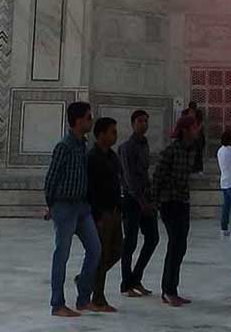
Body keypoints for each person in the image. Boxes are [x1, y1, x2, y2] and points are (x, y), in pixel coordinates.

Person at [42, 101, 100, 318]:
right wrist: (52, 206)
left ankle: (83, 297)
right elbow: (51, 179)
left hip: (82, 207)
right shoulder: (64, 147)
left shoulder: (83, 146)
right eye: (88, 117)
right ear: (78, 121)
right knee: (62, 255)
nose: (91, 121)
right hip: (65, 208)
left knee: (95, 250)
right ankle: (57, 304)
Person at [150, 114, 202, 307]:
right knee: (175, 245)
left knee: (180, 247)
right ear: (186, 130)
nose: (198, 130)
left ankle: (173, 288)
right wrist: (154, 203)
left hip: (182, 202)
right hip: (169, 203)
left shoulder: (192, 150)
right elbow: (157, 177)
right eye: (195, 127)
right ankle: (168, 290)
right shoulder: (171, 151)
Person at [117, 109, 159, 300]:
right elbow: (129, 177)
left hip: (145, 198)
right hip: (132, 200)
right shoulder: (126, 147)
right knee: (130, 242)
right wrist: (141, 201)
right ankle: (126, 283)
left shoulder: (144, 145)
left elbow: (144, 173)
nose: (144, 124)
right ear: (133, 123)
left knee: (152, 238)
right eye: (141, 121)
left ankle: (136, 278)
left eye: (146, 121)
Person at [86, 117, 123, 313]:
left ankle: (87, 278)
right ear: (101, 134)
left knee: (117, 250)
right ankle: (98, 299)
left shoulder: (112, 156)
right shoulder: (92, 157)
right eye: (112, 131)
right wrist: (97, 215)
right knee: (102, 255)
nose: (115, 135)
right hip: (102, 213)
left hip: (115, 211)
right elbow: (91, 189)